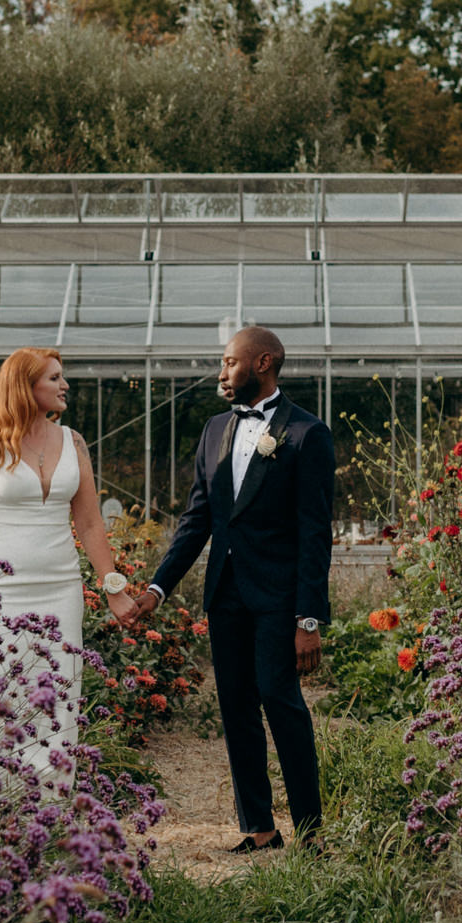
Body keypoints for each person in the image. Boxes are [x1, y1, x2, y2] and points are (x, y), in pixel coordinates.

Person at [118, 326, 334, 853]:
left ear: (262, 363)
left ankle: (310, 831)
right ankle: (259, 828)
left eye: (229, 363)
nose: (221, 373)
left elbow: (314, 535)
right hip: (226, 596)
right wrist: (156, 588)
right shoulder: (215, 430)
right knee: (236, 707)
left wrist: (309, 619)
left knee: (281, 702)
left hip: (280, 601)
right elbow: (197, 521)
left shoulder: (307, 434)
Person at [0, 347, 128, 779]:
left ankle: (49, 800)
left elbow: (88, 522)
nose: (65, 385)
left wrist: (114, 588)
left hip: (61, 587)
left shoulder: (73, 441)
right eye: (54, 378)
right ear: (26, 387)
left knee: (58, 688)